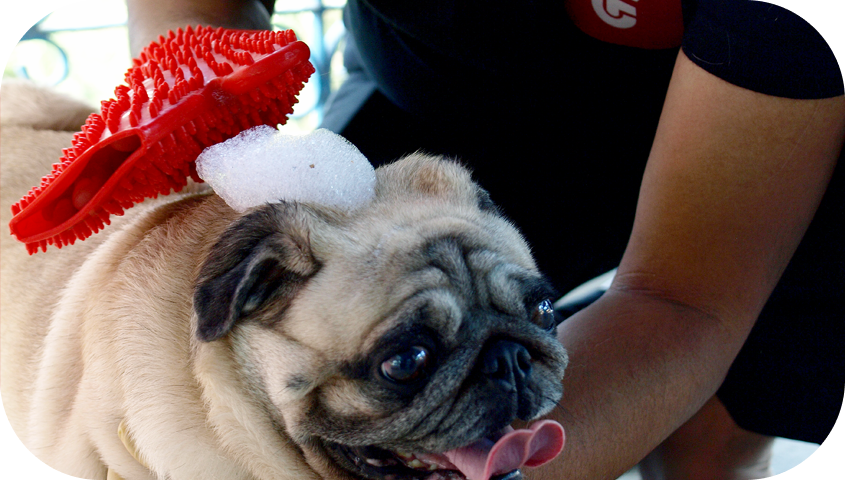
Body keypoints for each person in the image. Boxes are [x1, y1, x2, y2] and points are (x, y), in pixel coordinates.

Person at [126, 0, 845, 478]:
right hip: (443, 120)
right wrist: (219, 162)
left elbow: (686, 299)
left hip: (789, 137)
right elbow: (199, 27)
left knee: (771, 356)